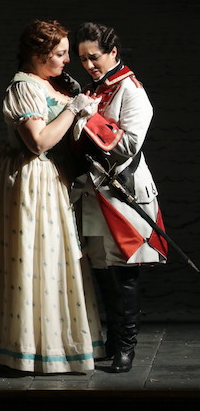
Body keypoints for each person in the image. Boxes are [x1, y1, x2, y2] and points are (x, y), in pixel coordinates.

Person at [0, 19, 105, 373]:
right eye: (60, 54)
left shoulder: (47, 84)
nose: (67, 60)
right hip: (31, 180)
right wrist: (73, 109)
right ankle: (30, 349)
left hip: (48, 179)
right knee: (34, 258)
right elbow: (39, 142)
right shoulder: (24, 87)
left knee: (52, 259)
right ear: (38, 54)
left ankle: (56, 344)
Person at [72, 22, 167, 373]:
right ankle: (111, 343)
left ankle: (126, 349)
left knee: (123, 273)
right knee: (101, 269)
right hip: (93, 191)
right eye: (83, 59)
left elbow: (128, 145)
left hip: (123, 192)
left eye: (94, 57)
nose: (88, 65)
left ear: (113, 52)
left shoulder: (132, 91)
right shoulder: (92, 89)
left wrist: (89, 118)